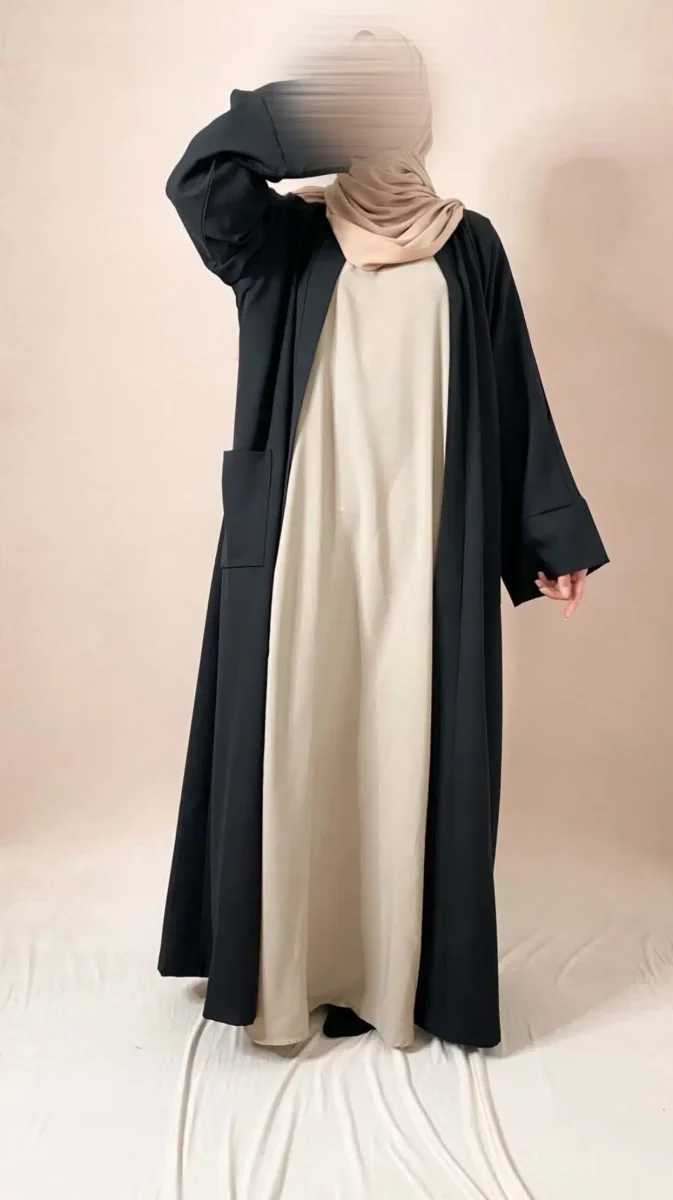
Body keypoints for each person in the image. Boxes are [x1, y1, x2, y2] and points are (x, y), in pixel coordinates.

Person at [157, 27, 609, 1049]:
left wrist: (549, 536)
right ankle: (292, 971)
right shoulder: (281, 238)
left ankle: (385, 973)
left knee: (401, 746)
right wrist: (317, 112)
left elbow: (512, 399)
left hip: (424, 553)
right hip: (302, 550)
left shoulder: (469, 246)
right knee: (299, 741)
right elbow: (199, 180)